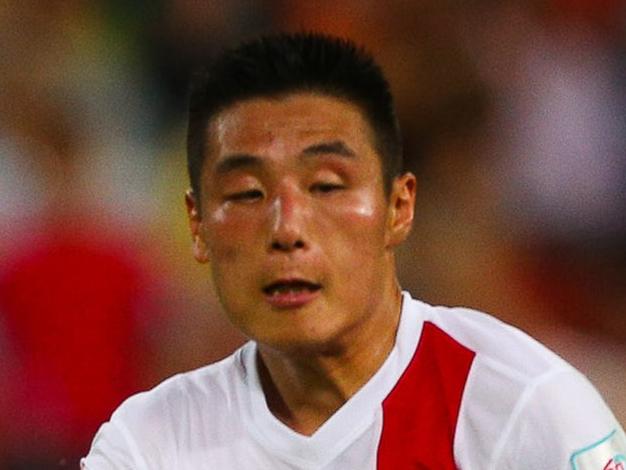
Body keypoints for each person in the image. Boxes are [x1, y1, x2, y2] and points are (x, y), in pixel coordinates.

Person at [82, 32, 625, 469]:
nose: (287, 228)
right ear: (197, 226)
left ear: (398, 207)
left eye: (326, 186)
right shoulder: (149, 444)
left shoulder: (524, 412)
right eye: (248, 193)